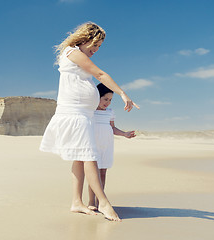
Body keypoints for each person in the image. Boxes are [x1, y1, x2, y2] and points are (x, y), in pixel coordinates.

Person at [39, 22, 139, 222]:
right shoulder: (73, 53)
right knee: (89, 155)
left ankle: (77, 202)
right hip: (74, 113)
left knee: (80, 156)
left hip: (83, 115)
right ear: (85, 39)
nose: (96, 50)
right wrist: (122, 93)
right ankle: (102, 202)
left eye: (99, 47)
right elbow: (100, 74)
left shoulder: (77, 56)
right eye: (95, 45)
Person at [88, 83, 136, 210]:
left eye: (110, 100)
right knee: (93, 174)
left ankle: (100, 201)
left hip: (107, 146)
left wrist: (125, 134)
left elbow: (113, 128)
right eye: (105, 99)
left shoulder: (110, 112)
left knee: (103, 173)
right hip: (93, 145)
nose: (107, 102)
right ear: (96, 96)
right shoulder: (90, 111)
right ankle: (91, 201)